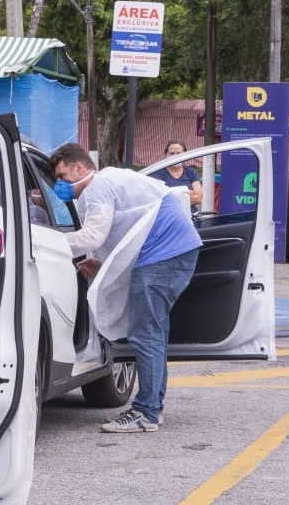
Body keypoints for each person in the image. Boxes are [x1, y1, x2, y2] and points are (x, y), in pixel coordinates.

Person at [49, 143, 202, 433]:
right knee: (154, 333)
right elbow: (125, 232)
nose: (61, 185)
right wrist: (101, 263)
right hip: (171, 251)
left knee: (146, 334)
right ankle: (153, 407)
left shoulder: (98, 186)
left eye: (62, 176)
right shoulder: (110, 180)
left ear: (79, 167)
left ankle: (146, 413)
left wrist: (43, 243)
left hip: (164, 254)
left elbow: (95, 233)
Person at [150, 140, 203, 213]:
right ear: (166, 155)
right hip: (168, 215)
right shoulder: (158, 174)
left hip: (191, 216)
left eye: (178, 153)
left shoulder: (191, 172)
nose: (175, 156)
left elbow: (198, 198)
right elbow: (158, 199)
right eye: (172, 153)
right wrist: (186, 195)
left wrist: (171, 196)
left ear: (184, 155)